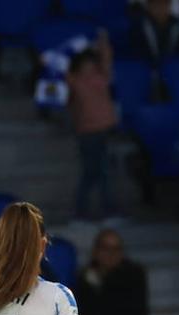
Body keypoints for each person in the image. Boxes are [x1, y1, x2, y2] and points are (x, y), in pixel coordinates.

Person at [66, 33, 119, 220]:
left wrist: (101, 43)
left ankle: (105, 210)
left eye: (92, 63)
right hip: (87, 134)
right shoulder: (74, 81)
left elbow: (107, 58)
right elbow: (58, 66)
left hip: (104, 130)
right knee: (92, 174)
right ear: (78, 66)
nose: (89, 68)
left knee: (102, 173)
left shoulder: (101, 77)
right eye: (85, 64)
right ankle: (82, 213)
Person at [76, 229, 149, 315]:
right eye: (105, 248)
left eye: (116, 249)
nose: (111, 253)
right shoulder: (85, 276)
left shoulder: (134, 275)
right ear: (95, 251)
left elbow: (129, 314)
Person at [129, 0, 179, 65]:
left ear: (169, 5)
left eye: (163, 4)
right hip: (147, 69)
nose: (160, 8)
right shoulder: (138, 28)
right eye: (156, 5)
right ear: (148, 6)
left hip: (175, 69)